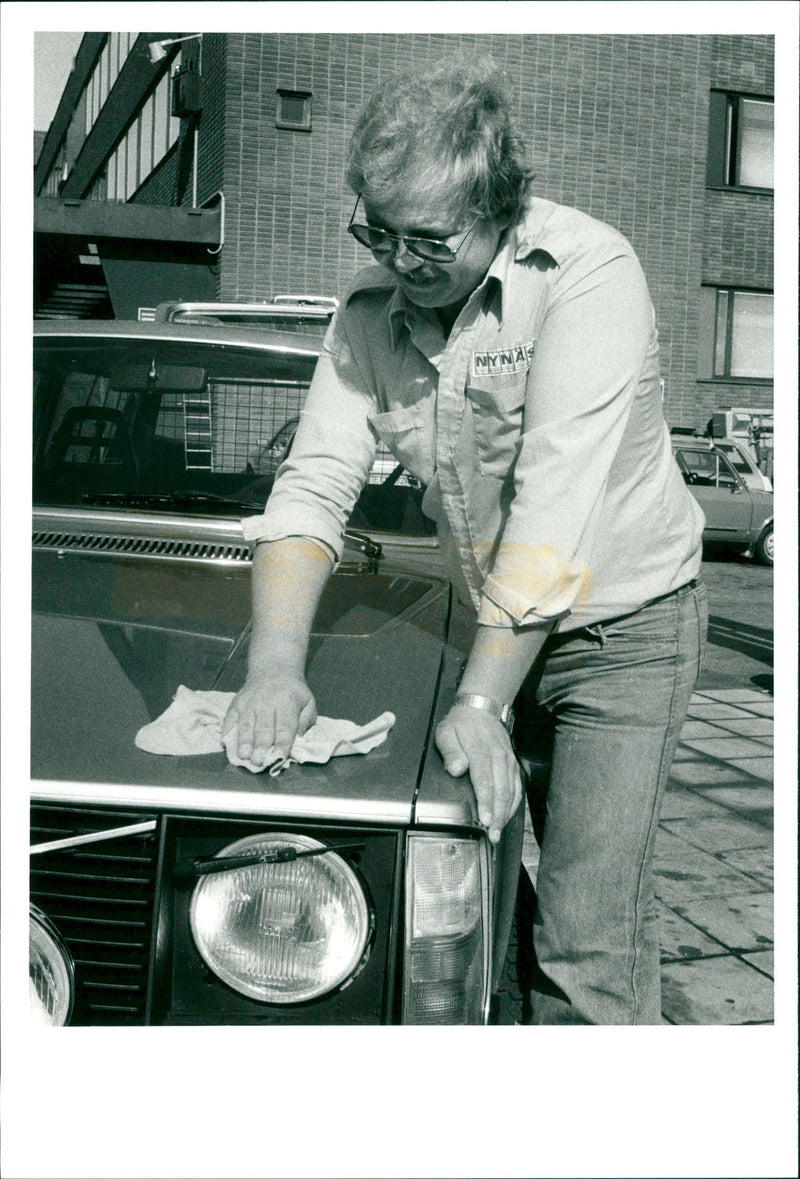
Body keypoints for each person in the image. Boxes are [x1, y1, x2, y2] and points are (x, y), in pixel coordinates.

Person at [223, 55, 708, 1025]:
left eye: (427, 241)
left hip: (623, 637)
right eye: (377, 231)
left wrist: (483, 700)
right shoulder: (365, 316)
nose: (399, 263)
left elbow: (551, 502)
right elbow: (314, 486)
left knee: (582, 942)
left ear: (496, 210)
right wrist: (274, 668)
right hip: (493, 623)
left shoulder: (587, 273)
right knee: (477, 898)